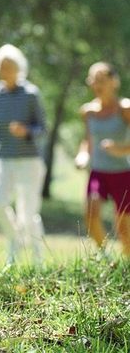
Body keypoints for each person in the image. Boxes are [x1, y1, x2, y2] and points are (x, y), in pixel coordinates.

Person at [0, 44, 47, 265]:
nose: (5, 71)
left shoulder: (31, 94)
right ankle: (15, 240)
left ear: (19, 68)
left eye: (9, 67)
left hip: (29, 159)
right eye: (1, 67)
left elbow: (42, 128)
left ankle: (38, 260)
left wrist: (26, 131)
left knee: (28, 212)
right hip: (3, 157)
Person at [75, 62, 130, 256]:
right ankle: (105, 257)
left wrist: (120, 149)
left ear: (114, 82)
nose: (97, 84)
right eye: (93, 80)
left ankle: (126, 264)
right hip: (98, 171)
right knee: (91, 214)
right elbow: (88, 140)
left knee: (123, 226)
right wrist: (83, 155)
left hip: (123, 172)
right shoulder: (88, 111)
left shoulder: (125, 108)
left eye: (102, 80)